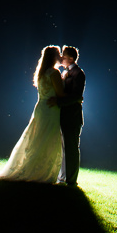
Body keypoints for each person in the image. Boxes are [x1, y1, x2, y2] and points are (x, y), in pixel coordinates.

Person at [0, 45, 65, 182]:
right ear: (54, 57)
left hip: (41, 108)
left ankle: (33, 166)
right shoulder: (54, 73)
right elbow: (61, 94)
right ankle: (42, 171)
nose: (61, 57)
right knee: (48, 138)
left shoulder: (42, 73)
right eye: (59, 54)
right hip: (51, 109)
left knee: (38, 137)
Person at [47, 44, 85, 187]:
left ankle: (71, 179)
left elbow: (76, 95)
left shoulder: (78, 73)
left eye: (63, 55)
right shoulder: (66, 72)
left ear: (70, 58)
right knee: (64, 148)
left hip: (73, 116)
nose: (61, 58)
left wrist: (58, 101)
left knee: (71, 148)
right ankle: (63, 177)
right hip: (64, 115)